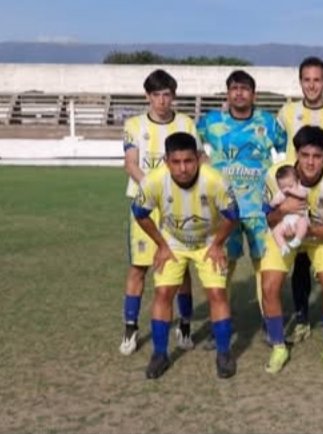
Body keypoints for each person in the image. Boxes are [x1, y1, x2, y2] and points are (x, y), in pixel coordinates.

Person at [131, 132, 239, 379]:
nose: (183, 168)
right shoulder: (153, 181)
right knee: (163, 293)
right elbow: (140, 213)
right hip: (173, 243)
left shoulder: (215, 180)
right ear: (166, 161)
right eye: (176, 162)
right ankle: (160, 354)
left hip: (208, 242)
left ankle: (224, 353)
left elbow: (233, 216)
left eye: (188, 161)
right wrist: (161, 245)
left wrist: (217, 244)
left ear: (199, 158)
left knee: (217, 293)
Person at [196, 70, 286, 349]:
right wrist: (205, 163)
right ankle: (220, 324)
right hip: (226, 212)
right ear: (227, 93)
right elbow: (190, 143)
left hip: (261, 210)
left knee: (264, 269)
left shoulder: (269, 123)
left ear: (253, 94)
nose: (239, 93)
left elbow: (285, 154)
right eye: (234, 88)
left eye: (244, 89)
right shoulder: (210, 122)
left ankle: (270, 324)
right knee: (222, 267)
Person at [120, 69, 197, 356]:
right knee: (138, 267)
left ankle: (185, 325)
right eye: (156, 95)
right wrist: (154, 190)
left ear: (173, 96)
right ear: (147, 96)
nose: (162, 101)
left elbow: (198, 159)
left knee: (181, 267)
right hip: (146, 206)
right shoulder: (134, 125)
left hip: (179, 207)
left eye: (167, 95)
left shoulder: (186, 123)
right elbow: (131, 164)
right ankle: (130, 328)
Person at [276, 57, 323, 343]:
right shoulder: (287, 112)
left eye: (317, 79)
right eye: (306, 79)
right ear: (300, 82)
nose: (311, 85)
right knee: (300, 263)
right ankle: (302, 318)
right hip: (296, 197)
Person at [260, 125, 323, 375]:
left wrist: (305, 231)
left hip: (317, 235)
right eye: (305, 155)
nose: (310, 162)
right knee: (269, 286)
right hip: (282, 232)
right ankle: (279, 347)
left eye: (317, 156)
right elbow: (269, 218)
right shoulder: (275, 176)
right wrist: (284, 211)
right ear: (296, 154)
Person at [269, 165, 309, 256]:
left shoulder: (300, 189)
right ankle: (283, 247)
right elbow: (272, 204)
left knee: (303, 223)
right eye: (283, 187)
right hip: (286, 221)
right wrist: (275, 202)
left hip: (298, 218)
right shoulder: (281, 194)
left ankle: (298, 239)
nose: (286, 189)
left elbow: (304, 195)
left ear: (297, 182)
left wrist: (291, 191)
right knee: (276, 231)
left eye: (290, 186)